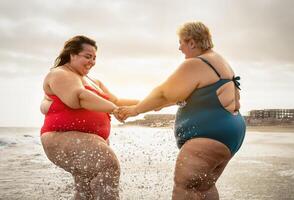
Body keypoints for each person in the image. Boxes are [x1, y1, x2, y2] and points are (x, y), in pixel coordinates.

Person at [116, 21, 246, 200]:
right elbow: (179, 96)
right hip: (229, 134)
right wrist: (153, 104)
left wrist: (135, 110)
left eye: (181, 42)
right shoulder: (217, 60)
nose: (179, 48)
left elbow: (163, 93)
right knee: (204, 187)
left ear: (192, 42)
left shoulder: (197, 63)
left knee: (185, 188)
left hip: (210, 137)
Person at [40, 35, 138, 200]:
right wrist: (115, 110)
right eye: (87, 56)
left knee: (85, 192)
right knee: (108, 165)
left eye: (94, 58)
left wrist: (147, 104)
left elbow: (115, 100)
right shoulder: (60, 73)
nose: (92, 61)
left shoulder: (94, 81)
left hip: (92, 140)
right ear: (72, 54)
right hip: (61, 137)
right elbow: (78, 97)